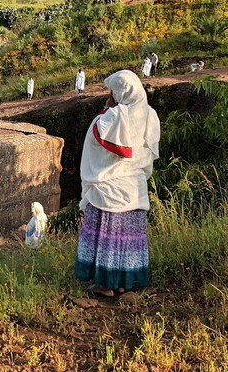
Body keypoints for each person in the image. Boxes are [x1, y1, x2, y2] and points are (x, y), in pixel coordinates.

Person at [75, 70, 160, 297]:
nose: (110, 96)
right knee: (127, 238)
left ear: (119, 92)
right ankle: (124, 283)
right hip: (134, 189)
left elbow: (95, 136)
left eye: (112, 91)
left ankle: (105, 284)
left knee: (107, 235)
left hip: (109, 187)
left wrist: (107, 109)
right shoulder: (150, 115)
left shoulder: (113, 117)